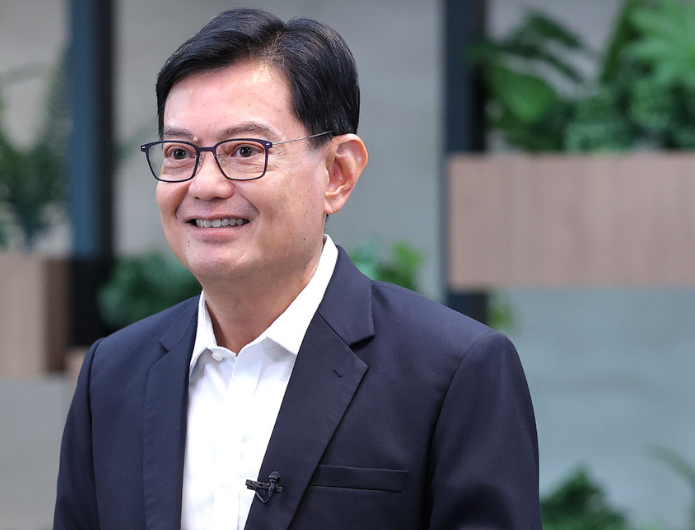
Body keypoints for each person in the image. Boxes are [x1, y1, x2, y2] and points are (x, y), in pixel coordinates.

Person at [54, 8, 540, 530]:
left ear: (337, 172)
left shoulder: (454, 369)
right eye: (179, 152)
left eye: (245, 150)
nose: (205, 185)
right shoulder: (112, 374)